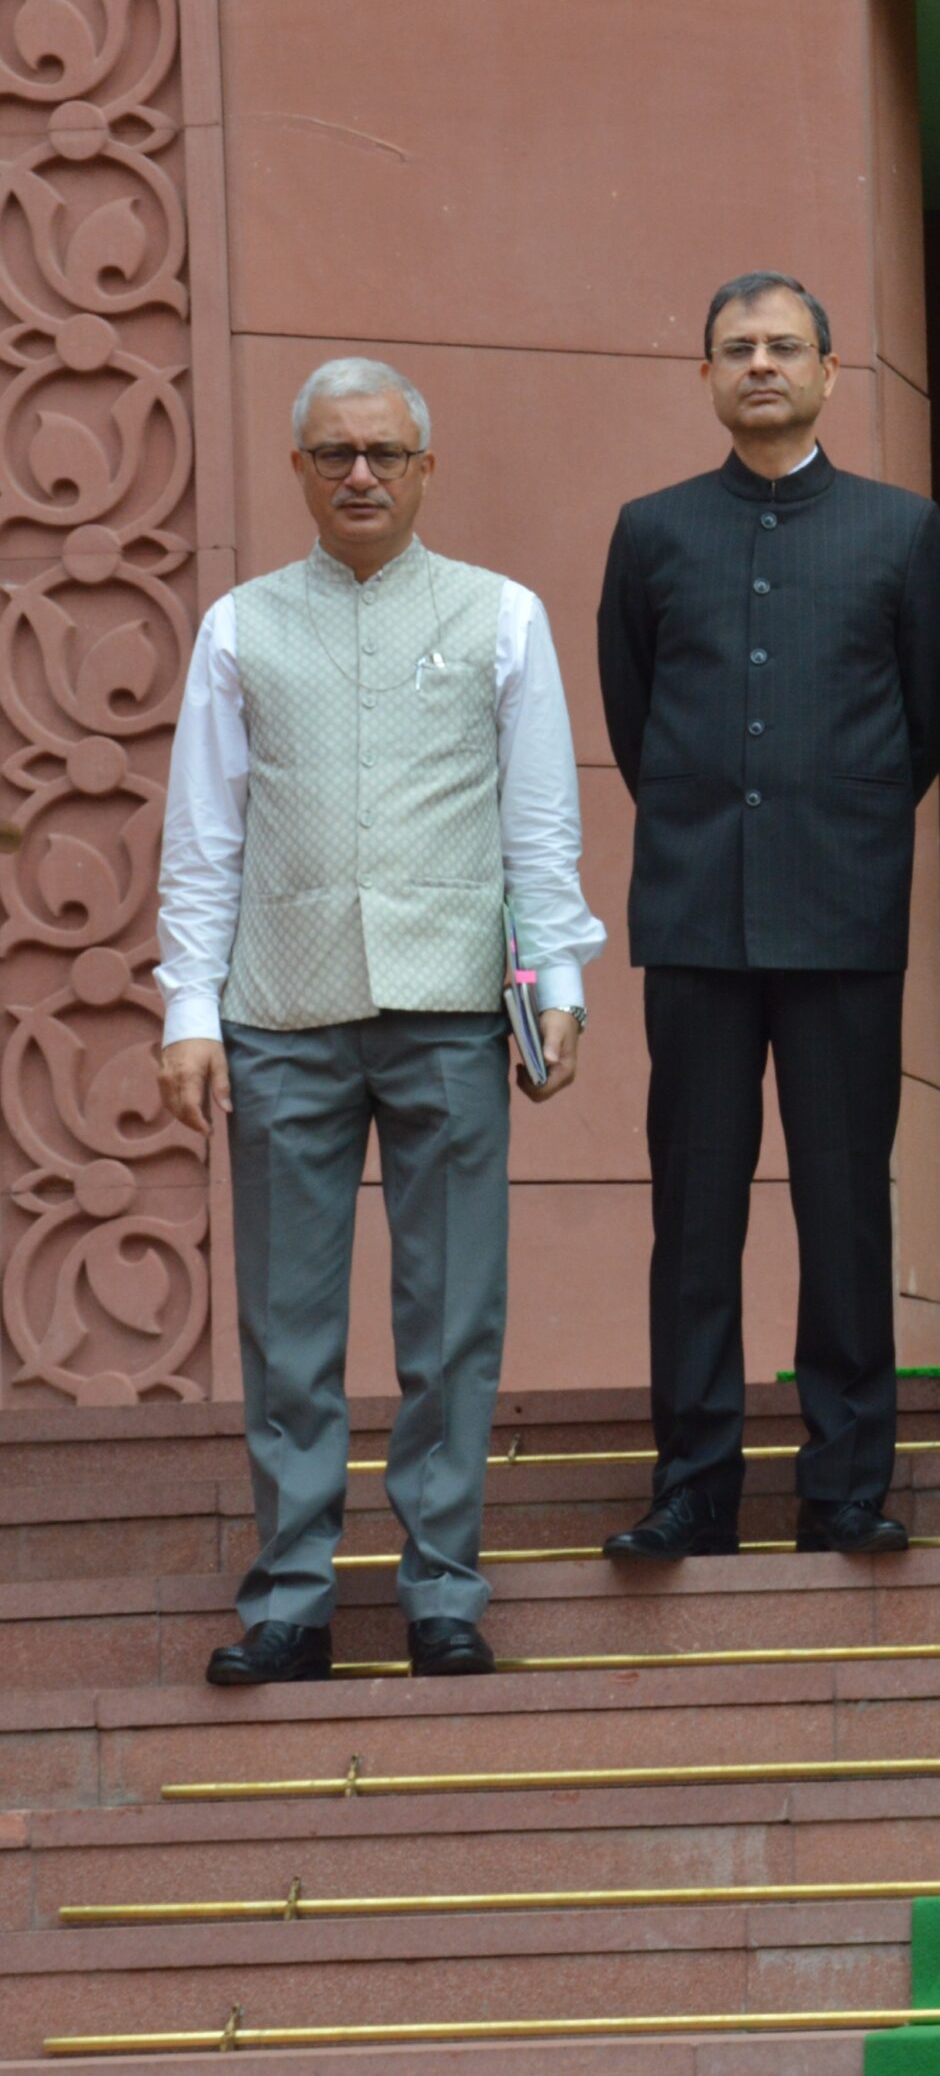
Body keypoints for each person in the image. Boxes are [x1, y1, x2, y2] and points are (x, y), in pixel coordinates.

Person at [156, 357, 604, 1685]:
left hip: (453, 1008)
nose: (361, 473)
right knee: (287, 1325)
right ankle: (291, 1598)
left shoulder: (502, 615)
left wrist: (561, 984)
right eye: (335, 453)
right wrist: (190, 1007)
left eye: (386, 453)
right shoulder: (239, 625)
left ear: (425, 468)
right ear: (298, 469)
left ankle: (442, 1589)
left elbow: (540, 824)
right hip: (281, 1012)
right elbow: (203, 836)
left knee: (452, 1313)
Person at [597, 271, 940, 1562]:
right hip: (694, 914)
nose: (760, 364)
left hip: (842, 913)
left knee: (844, 1206)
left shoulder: (900, 528)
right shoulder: (651, 530)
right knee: (693, 1209)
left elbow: (923, 724)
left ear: (826, 371)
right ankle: (693, 1481)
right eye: (736, 347)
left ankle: (845, 1483)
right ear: (706, 375)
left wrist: (828, 825)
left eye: (784, 346)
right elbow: (633, 717)